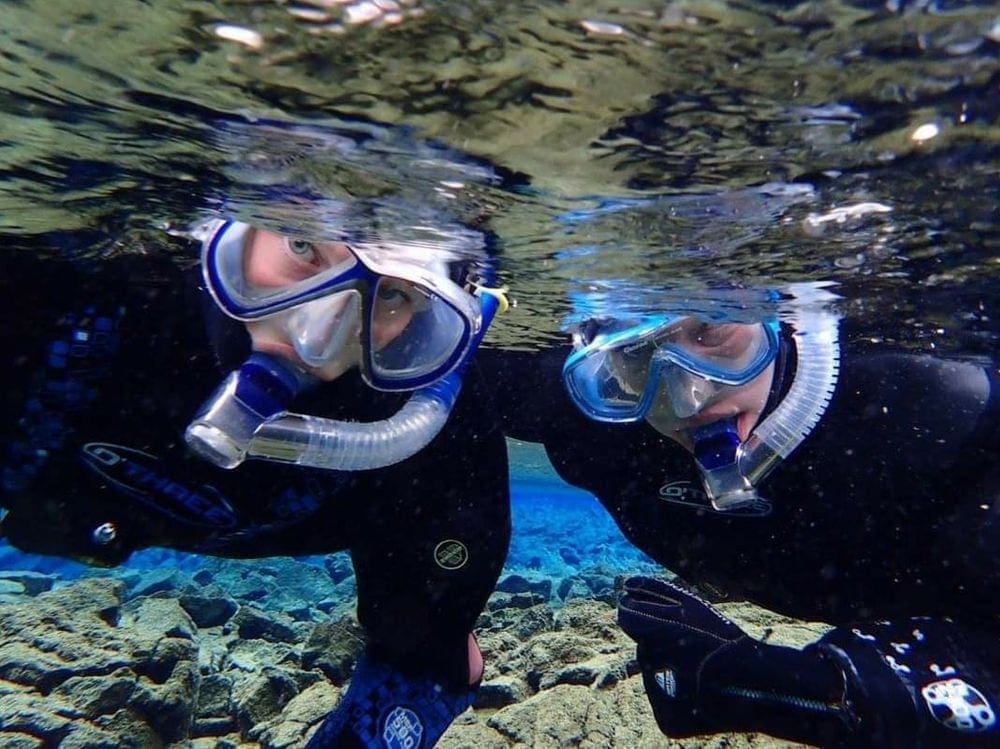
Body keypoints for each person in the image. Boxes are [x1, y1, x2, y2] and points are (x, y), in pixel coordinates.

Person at [0, 217, 512, 749]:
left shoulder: (428, 430)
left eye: (395, 295)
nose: (317, 337)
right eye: (302, 247)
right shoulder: (69, 294)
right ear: (227, 234)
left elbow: (427, 659)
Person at [483, 284, 999, 748]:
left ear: (776, 315)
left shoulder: (941, 414)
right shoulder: (582, 418)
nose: (688, 398)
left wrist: (787, 689)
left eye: (710, 331)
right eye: (637, 354)